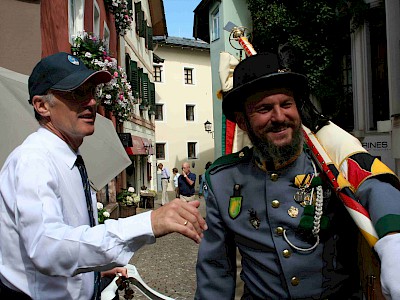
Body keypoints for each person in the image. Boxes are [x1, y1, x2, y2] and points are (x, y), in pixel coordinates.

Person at [0, 52, 207, 300]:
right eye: (76, 93)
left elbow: (70, 237)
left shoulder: (67, 157)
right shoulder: (33, 160)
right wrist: (147, 223)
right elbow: (47, 249)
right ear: (42, 105)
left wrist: (96, 270)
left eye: (92, 92)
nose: (90, 103)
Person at [195, 52, 400, 299]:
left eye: (286, 104)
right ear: (242, 121)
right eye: (265, 108)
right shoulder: (222, 180)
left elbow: (375, 186)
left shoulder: (329, 161)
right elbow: (216, 270)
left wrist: (393, 242)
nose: (280, 117)